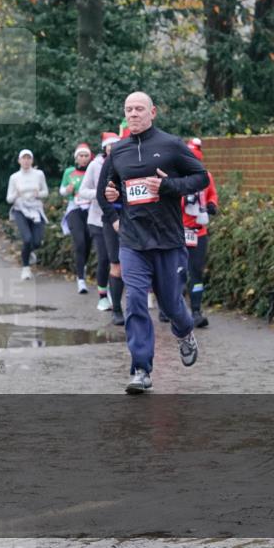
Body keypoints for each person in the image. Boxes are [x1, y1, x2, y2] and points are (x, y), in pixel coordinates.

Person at [97, 92, 209, 394]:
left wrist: (169, 185)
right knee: (134, 301)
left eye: (139, 109)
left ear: (153, 112)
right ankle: (141, 369)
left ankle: (185, 332)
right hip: (133, 242)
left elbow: (201, 178)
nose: (133, 114)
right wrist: (115, 213)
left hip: (169, 241)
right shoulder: (117, 152)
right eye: (128, 110)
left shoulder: (171, 145)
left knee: (172, 305)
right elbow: (103, 193)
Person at [79, 132, 125, 323]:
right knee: (106, 258)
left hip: (120, 217)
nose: (112, 148)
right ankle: (103, 297)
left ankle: (120, 302)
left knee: (120, 260)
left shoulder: (124, 162)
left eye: (116, 145)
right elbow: (83, 190)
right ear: (104, 148)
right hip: (98, 218)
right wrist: (101, 196)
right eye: (109, 145)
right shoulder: (95, 165)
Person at [182, 138, 218, 328]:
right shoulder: (177, 176)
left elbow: (212, 193)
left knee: (196, 272)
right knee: (177, 272)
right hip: (179, 232)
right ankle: (171, 309)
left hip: (199, 231)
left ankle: (196, 311)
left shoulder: (206, 176)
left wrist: (211, 205)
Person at [6, 149, 48, 281]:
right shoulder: (14, 177)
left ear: (32, 160)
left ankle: (29, 252)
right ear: (19, 161)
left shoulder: (39, 174)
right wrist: (16, 194)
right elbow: (9, 199)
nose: (26, 161)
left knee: (37, 241)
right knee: (27, 239)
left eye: (28, 158)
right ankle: (25, 268)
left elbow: (45, 192)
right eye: (23, 158)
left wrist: (38, 194)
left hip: (36, 209)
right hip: (20, 209)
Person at [60, 142, 94, 294]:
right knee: (79, 242)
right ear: (76, 158)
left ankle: (83, 266)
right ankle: (81, 279)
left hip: (91, 209)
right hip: (74, 209)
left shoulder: (93, 170)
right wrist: (67, 190)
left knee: (87, 242)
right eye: (81, 155)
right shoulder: (69, 172)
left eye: (86, 155)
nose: (84, 158)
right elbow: (62, 190)